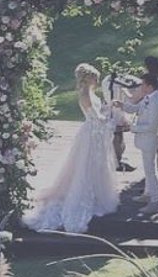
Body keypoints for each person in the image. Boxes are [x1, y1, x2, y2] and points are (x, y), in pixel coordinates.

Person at [23, 63, 119, 233]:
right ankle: (82, 196)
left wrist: (109, 107)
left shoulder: (90, 93)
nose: (97, 81)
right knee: (85, 166)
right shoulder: (85, 94)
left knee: (96, 165)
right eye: (95, 78)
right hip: (90, 133)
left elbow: (99, 112)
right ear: (88, 78)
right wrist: (112, 119)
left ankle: (96, 193)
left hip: (95, 134)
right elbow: (96, 118)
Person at [115, 73, 158, 215]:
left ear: (150, 86)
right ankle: (148, 194)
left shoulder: (156, 102)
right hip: (144, 141)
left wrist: (132, 127)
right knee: (148, 170)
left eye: (143, 84)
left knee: (151, 171)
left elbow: (151, 127)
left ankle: (156, 201)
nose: (141, 87)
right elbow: (136, 109)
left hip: (149, 141)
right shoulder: (148, 98)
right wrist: (123, 105)